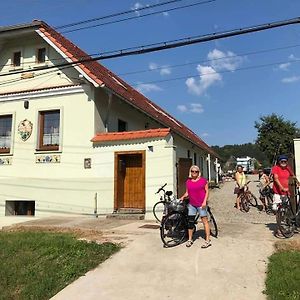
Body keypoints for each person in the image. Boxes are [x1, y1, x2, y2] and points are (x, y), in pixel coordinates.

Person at [179, 165, 211, 248]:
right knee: (190, 222)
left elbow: (207, 191)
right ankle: (190, 239)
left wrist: (204, 202)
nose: (194, 173)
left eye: (196, 171)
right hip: (192, 204)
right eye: (192, 171)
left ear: (198, 172)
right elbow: (187, 192)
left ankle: (208, 240)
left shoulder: (203, 181)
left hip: (201, 204)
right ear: (190, 172)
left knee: (205, 221)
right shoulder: (188, 182)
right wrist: (182, 197)